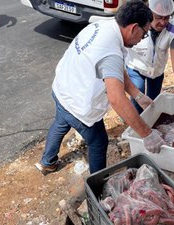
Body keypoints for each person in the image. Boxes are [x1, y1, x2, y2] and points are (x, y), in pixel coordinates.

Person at [35, 0, 166, 175]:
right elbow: (117, 100)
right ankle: (97, 189)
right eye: (143, 35)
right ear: (134, 28)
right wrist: (147, 134)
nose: (141, 40)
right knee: (98, 142)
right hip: (78, 103)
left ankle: (46, 162)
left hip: (62, 89)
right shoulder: (111, 51)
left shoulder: (104, 26)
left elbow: (117, 70)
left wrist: (138, 95)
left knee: (61, 122)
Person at [126, 0, 174, 114]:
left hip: (156, 70)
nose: (163, 22)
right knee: (138, 99)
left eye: (166, 18)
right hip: (136, 66)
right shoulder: (136, 24)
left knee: (154, 101)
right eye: (158, 17)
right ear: (149, 12)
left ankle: (151, 122)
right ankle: (139, 122)